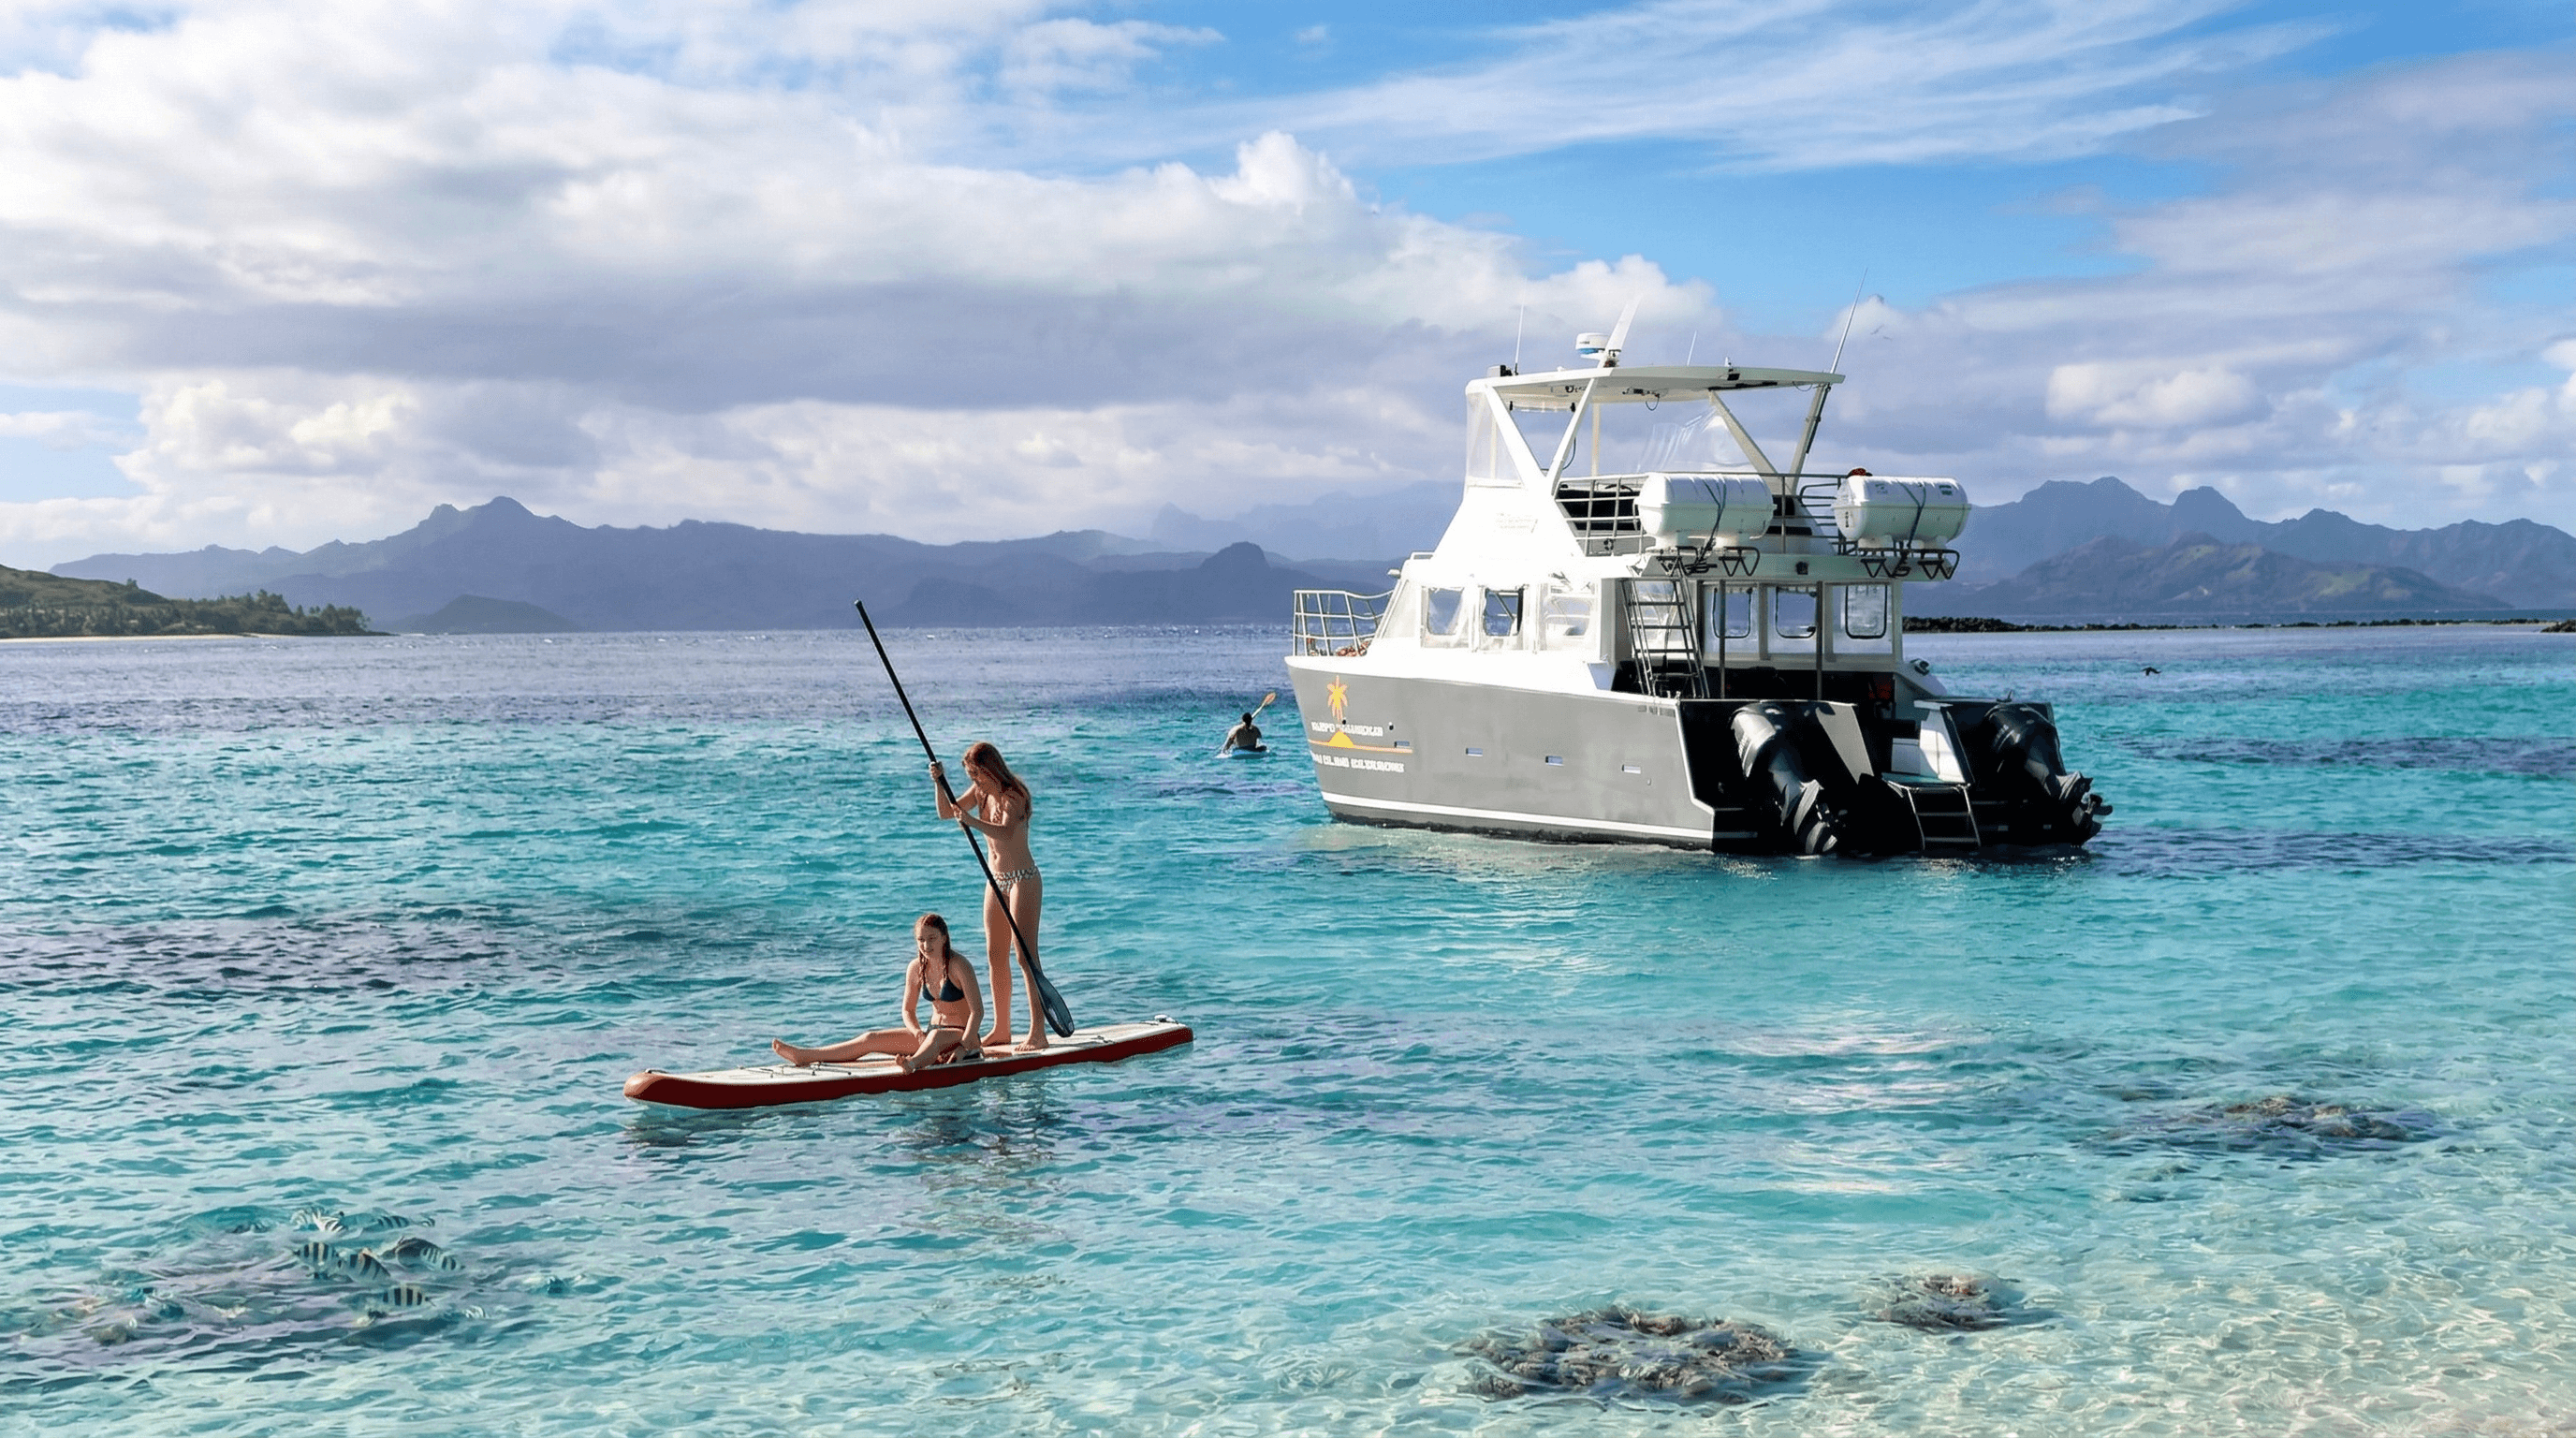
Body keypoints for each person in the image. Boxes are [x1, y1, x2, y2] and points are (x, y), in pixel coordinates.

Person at [929, 741, 1046, 1052]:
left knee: (1025, 957)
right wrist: (941, 783)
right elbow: (945, 812)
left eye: (977, 775)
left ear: (990, 770)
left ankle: (1038, 1032)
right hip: (996, 881)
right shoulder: (980, 794)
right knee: (995, 956)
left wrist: (970, 821)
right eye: (970, 776)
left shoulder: (1013, 796)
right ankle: (1002, 1028)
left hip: (1024, 880)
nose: (974, 782)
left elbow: (1006, 833)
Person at [771, 914, 985, 1073]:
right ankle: (806, 1055)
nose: (926, 945)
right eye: (921, 940)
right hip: (930, 1035)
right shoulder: (916, 968)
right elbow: (908, 1010)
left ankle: (912, 1064)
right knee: (871, 1038)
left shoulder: (959, 965)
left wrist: (964, 1047)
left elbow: (977, 1012)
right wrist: (918, 1033)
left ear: (944, 938)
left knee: (936, 1037)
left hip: (963, 1036)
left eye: (932, 939)